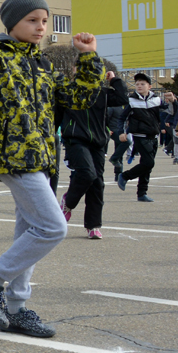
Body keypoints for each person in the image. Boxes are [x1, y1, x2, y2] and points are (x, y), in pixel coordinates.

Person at [0, 0, 102, 338]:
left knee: (29, 231)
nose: (41, 27)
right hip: (12, 156)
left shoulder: (41, 63)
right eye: (32, 20)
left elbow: (78, 99)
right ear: (12, 22)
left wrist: (87, 59)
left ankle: (16, 309)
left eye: (44, 20)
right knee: (53, 227)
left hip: (42, 158)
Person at [56, 68, 128, 240]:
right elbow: (56, 116)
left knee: (97, 183)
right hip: (75, 140)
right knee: (87, 174)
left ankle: (93, 225)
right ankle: (68, 203)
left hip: (98, 142)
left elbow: (122, 98)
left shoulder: (101, 93)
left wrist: (115, 80)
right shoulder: (67, 92)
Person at [116, 73, 162, 202]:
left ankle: (142, 193)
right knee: (148, 162)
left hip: (153, 135)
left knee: (146, 166)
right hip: (139, 136)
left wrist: (173, 102)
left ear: (150, 86)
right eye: (137, 84)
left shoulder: (156, 99)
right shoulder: (131, 100)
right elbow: (122, 118)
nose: (139, 86)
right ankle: (125, 176)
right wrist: (121, 132)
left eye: (142, 84)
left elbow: (170, 112)